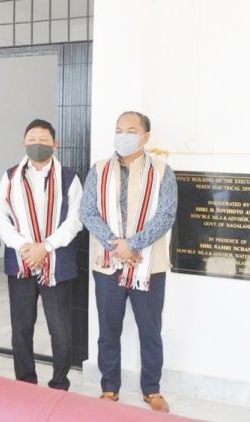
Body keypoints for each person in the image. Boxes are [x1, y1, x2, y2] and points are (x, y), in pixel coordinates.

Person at [80, 111, 177, 412]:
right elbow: (88, 212)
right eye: (119, 129)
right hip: (107, 264)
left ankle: (152, 388)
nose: (123, 135)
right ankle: (109, 387)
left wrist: (132, 245)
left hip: (148, 266)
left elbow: (165, 215)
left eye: (131, 130)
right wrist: (116, 245)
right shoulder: (98, 169)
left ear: (145, 136)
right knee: (108, 329)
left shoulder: (162, 170)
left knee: (150, 330)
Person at [0, 119, 83, 390]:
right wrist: (24, 246)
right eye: (32, 139)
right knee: (21, 327)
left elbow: (75, 220)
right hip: (21, 263)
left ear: (55, 144)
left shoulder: (69, 177)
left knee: (60, 329)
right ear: (23, 142)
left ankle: (59, 383)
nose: (37, 145)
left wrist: (46, 246)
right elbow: (0, 215)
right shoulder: (10, 176)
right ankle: (25, 382)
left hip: (57, 263)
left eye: (43, 140)